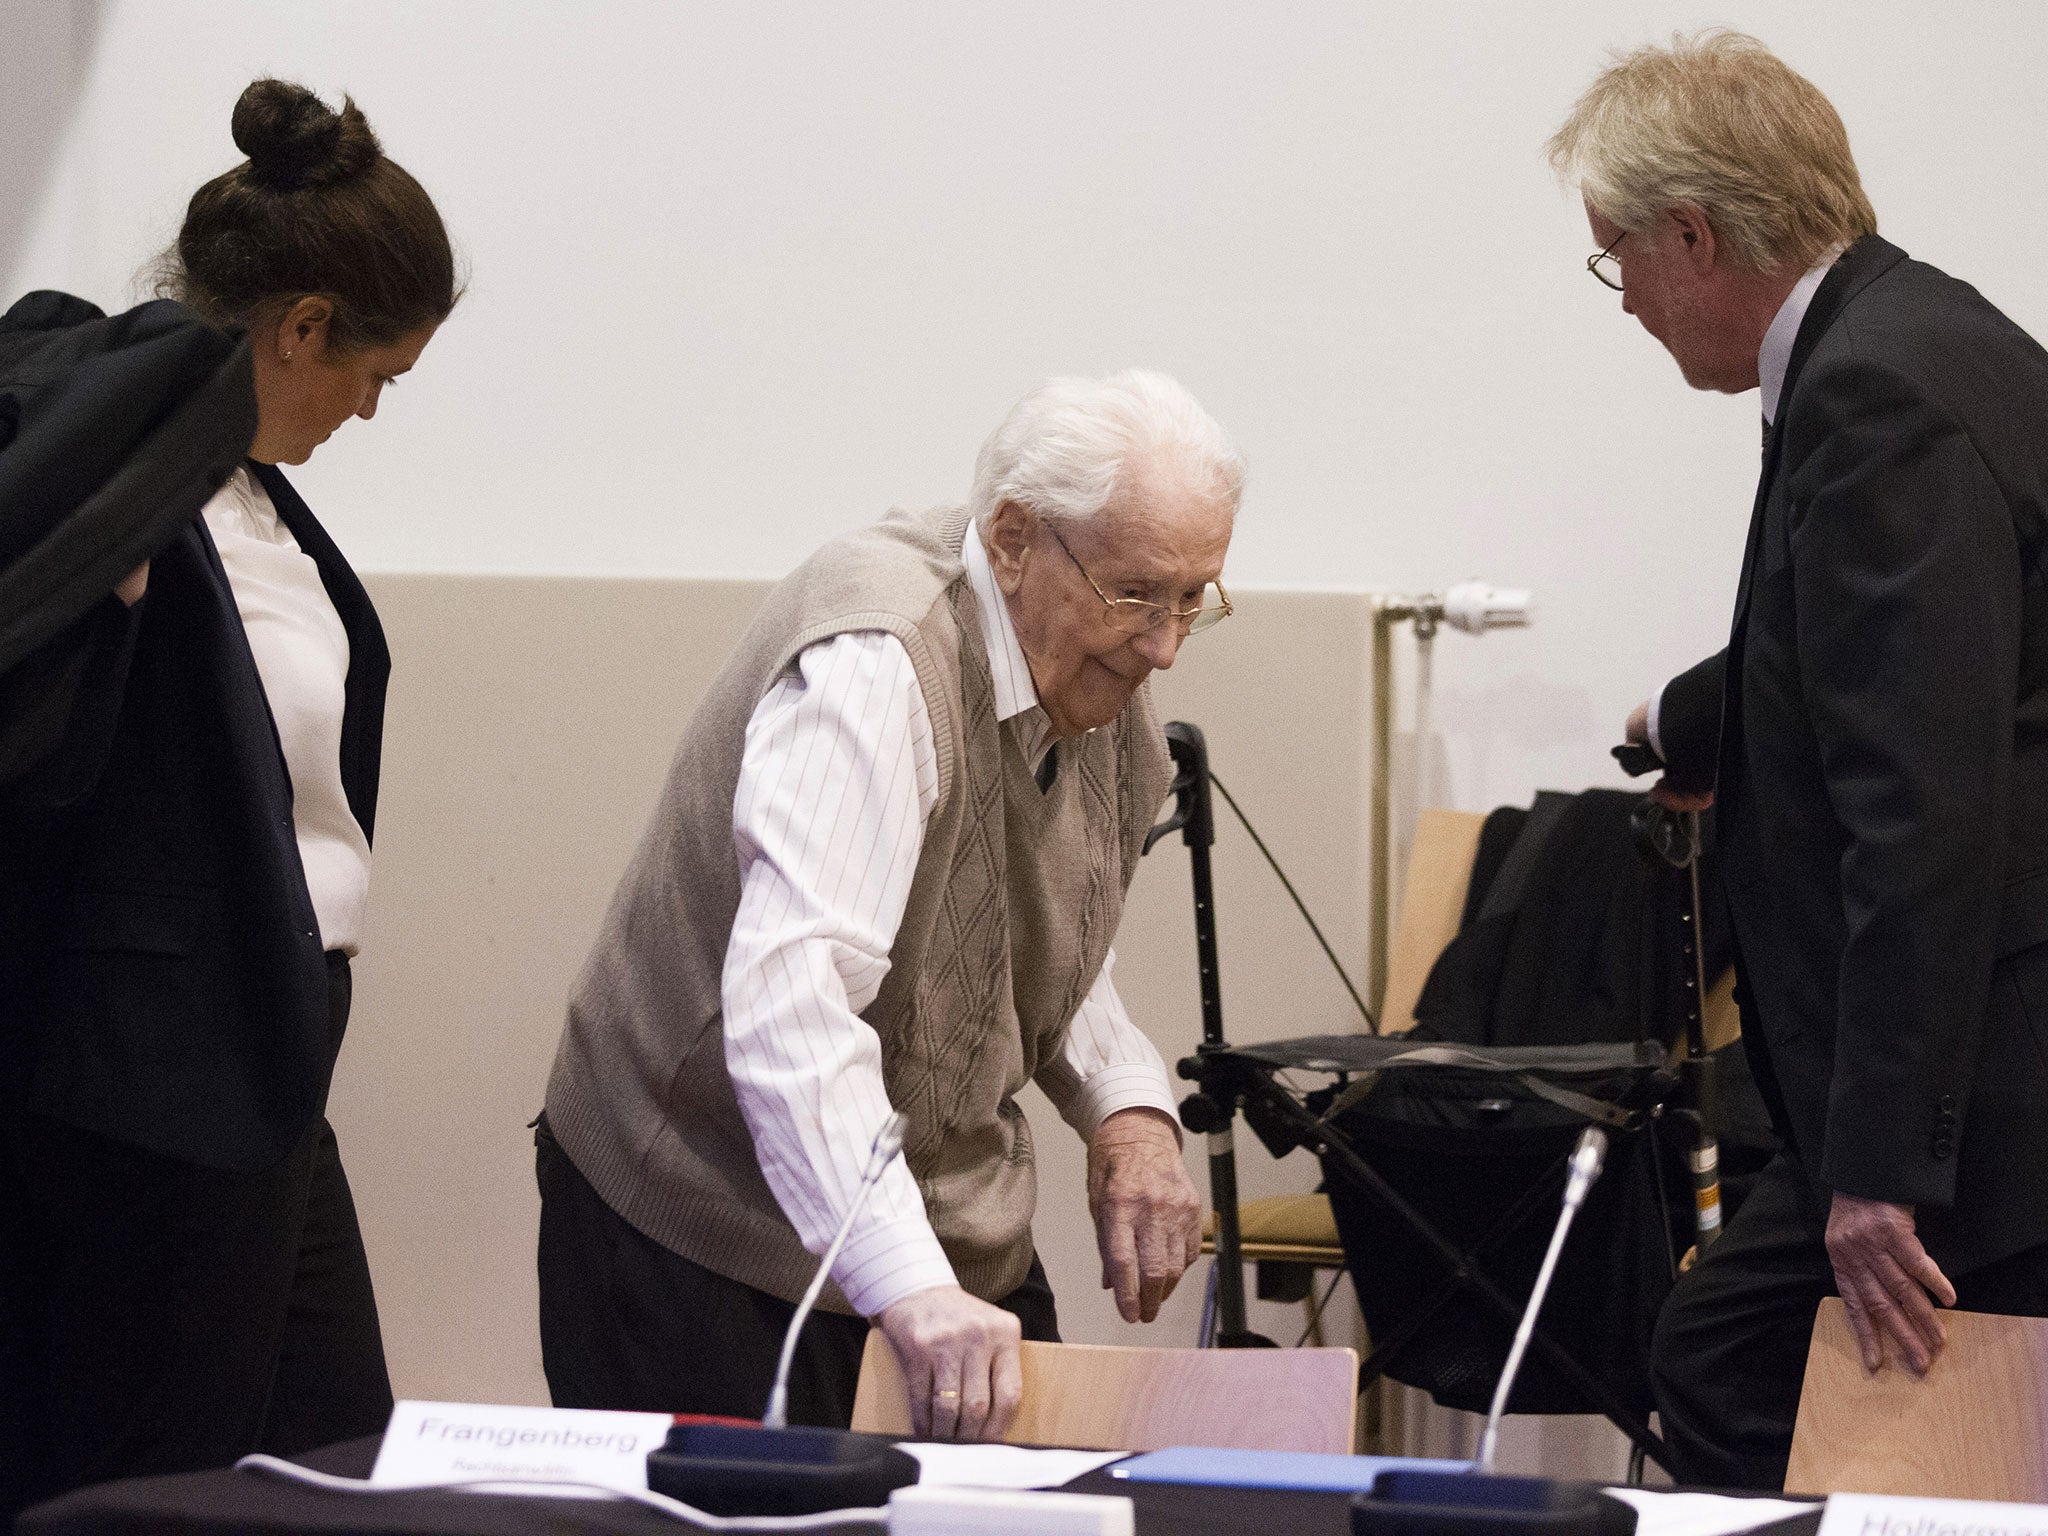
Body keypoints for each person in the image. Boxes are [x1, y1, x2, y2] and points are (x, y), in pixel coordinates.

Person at [538, 370, 1235, 1441]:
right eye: (1138, 593)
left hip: (935, 1217)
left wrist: (1127, 1110)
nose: (1165, 645)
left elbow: (1036, 934)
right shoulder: (876, 659)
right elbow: (792, 1003)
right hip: (707, 1223)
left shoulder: (1091, 672)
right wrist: (906, 1282)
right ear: (1012, 538)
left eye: (1195, 596)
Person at [1550, 32, 2048, 1488]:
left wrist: (1884, 1169)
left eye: (1616, 259)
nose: (1625, 299)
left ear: (1693, 235)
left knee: (1730, 1367)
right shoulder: (1920, 336)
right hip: (1983, 1051)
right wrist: (1682, 722)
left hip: (1976, 1086)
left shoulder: (1872, 396)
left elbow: (1925, 808)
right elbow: (1880, 652)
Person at [0, 79, 457, 1517]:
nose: (372, 411)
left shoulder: (254, 500)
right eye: (375, 374)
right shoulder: (115, 474)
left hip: (266, 1061)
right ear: (303, 324)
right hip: (156, 1083)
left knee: (339, 1448)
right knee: (157, 1478)